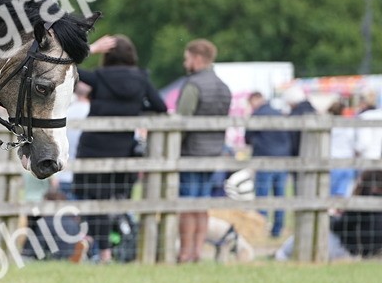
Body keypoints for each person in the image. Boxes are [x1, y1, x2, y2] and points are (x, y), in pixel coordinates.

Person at [70, 35, 166, 263]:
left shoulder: (100, 77)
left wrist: (90, 49)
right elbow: (160, 106)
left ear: (108, 55)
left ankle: (96, 247)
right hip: (123, 151)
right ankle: (110, 250)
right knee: (114, 201)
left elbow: (65, 64)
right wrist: (134, 111)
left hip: (93, 149)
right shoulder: (141, 79)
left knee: (90, 200)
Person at [175, 39, 231, 263]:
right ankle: (198, 251)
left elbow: (182, 122)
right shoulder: (223, 86)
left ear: (197, 59)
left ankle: (185, 252)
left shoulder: (193, 85)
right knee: (202, 205)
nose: (185, 62)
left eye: (187, 58)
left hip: (191, 153)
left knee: (187, 205)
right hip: (213, 153)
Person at [275, 170, 382, 260]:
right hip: (370, 251)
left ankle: (280, 255)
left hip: (350, 251)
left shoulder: (360, 204)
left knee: (312, 232)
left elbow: (339, 227)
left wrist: (328, 216)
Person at [244, 91, 292, 238]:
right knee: (279, 196)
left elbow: (248, 137)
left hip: (264, 158)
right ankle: (277, 229)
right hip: (282, 159)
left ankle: (261, 227)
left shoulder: (257, 114)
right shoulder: (279, 113)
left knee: (262, 196)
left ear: (254, 100)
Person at [327, 100, 357, 198]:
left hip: (333, 160)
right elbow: (354, 144)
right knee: (344, 193)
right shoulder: (349, 127)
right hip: (347, 161)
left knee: (330, 192)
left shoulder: (329, 127)